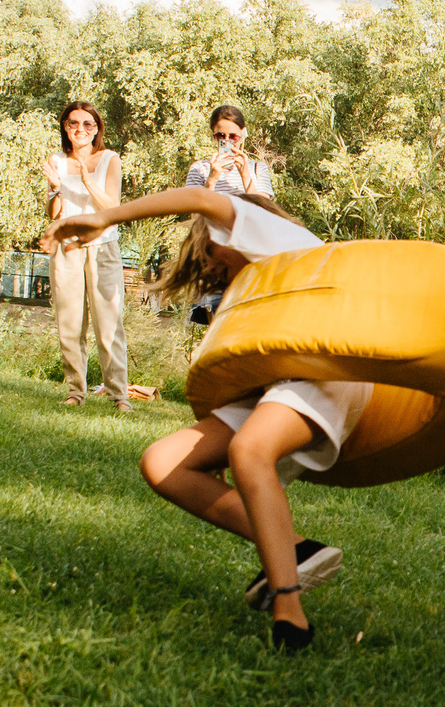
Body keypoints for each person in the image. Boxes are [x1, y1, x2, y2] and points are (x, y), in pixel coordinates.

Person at [48, 182, 351, 650]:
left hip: (330, 372)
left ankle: (290, 613)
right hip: (285, 380)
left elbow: (199, 198)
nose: (209, 262)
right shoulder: (255, 278)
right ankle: (294, 549)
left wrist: (106, 217)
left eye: (209, 249)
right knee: (164, 462)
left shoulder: (264, 231)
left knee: (248, 450)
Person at [45, 101, 129, 409]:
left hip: (102, 246)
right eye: (73, 124)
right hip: (66, 248)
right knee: (69, 323)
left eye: (87, 125)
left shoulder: (109, 159)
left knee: (108, 325)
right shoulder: (56, 159)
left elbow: (112, 208)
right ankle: (75, 392)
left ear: (97, 129)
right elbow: (53, 213)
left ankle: (119, 396)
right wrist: (56, 188)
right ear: (65, 128)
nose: (80, 130)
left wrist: (84, 179)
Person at [185, 104, 273, 206]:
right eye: (220, 136)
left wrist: (245, 176)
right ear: (213, 135)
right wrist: (211, 181)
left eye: (233, 136)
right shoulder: (199, 169)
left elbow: (263, 212)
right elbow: (195, 216)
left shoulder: (258, 168)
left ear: (242, 135)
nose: (227, 141)